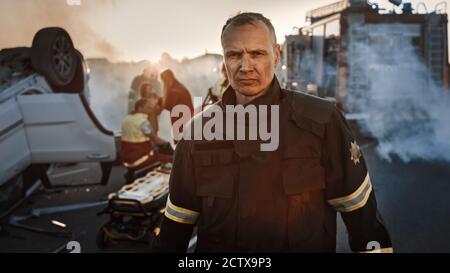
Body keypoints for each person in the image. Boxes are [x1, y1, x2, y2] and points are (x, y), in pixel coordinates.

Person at [153, 12, 392, 253]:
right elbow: (175, 228)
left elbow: (365, 224)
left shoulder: (322, 121)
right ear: (224, 61)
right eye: (234, 55)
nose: (246, 66)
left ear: (276, 55)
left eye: (257, 53)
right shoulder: (197, 131)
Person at [121, 98, 172, 184]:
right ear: (140, 108)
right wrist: (168, 144)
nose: (151, 110)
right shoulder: (143, 122)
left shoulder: (127, 118)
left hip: (126, 159)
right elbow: (156, 140)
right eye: (148, 108)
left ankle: (131, 174)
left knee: (157, 151)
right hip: (139, 159)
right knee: (170, 158)